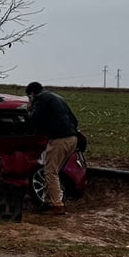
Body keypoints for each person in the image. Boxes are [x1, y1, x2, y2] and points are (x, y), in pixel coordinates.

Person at [25, 81, 79, 215]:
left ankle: (57, 206)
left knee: (50, 171)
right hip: (73, 138)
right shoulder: (57, 98)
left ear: (31, 94)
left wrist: (29, 109)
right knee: (53, 171)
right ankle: (48, 202)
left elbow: (32, 122)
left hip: (60, 139)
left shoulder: (41, 100)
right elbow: (75, 120)